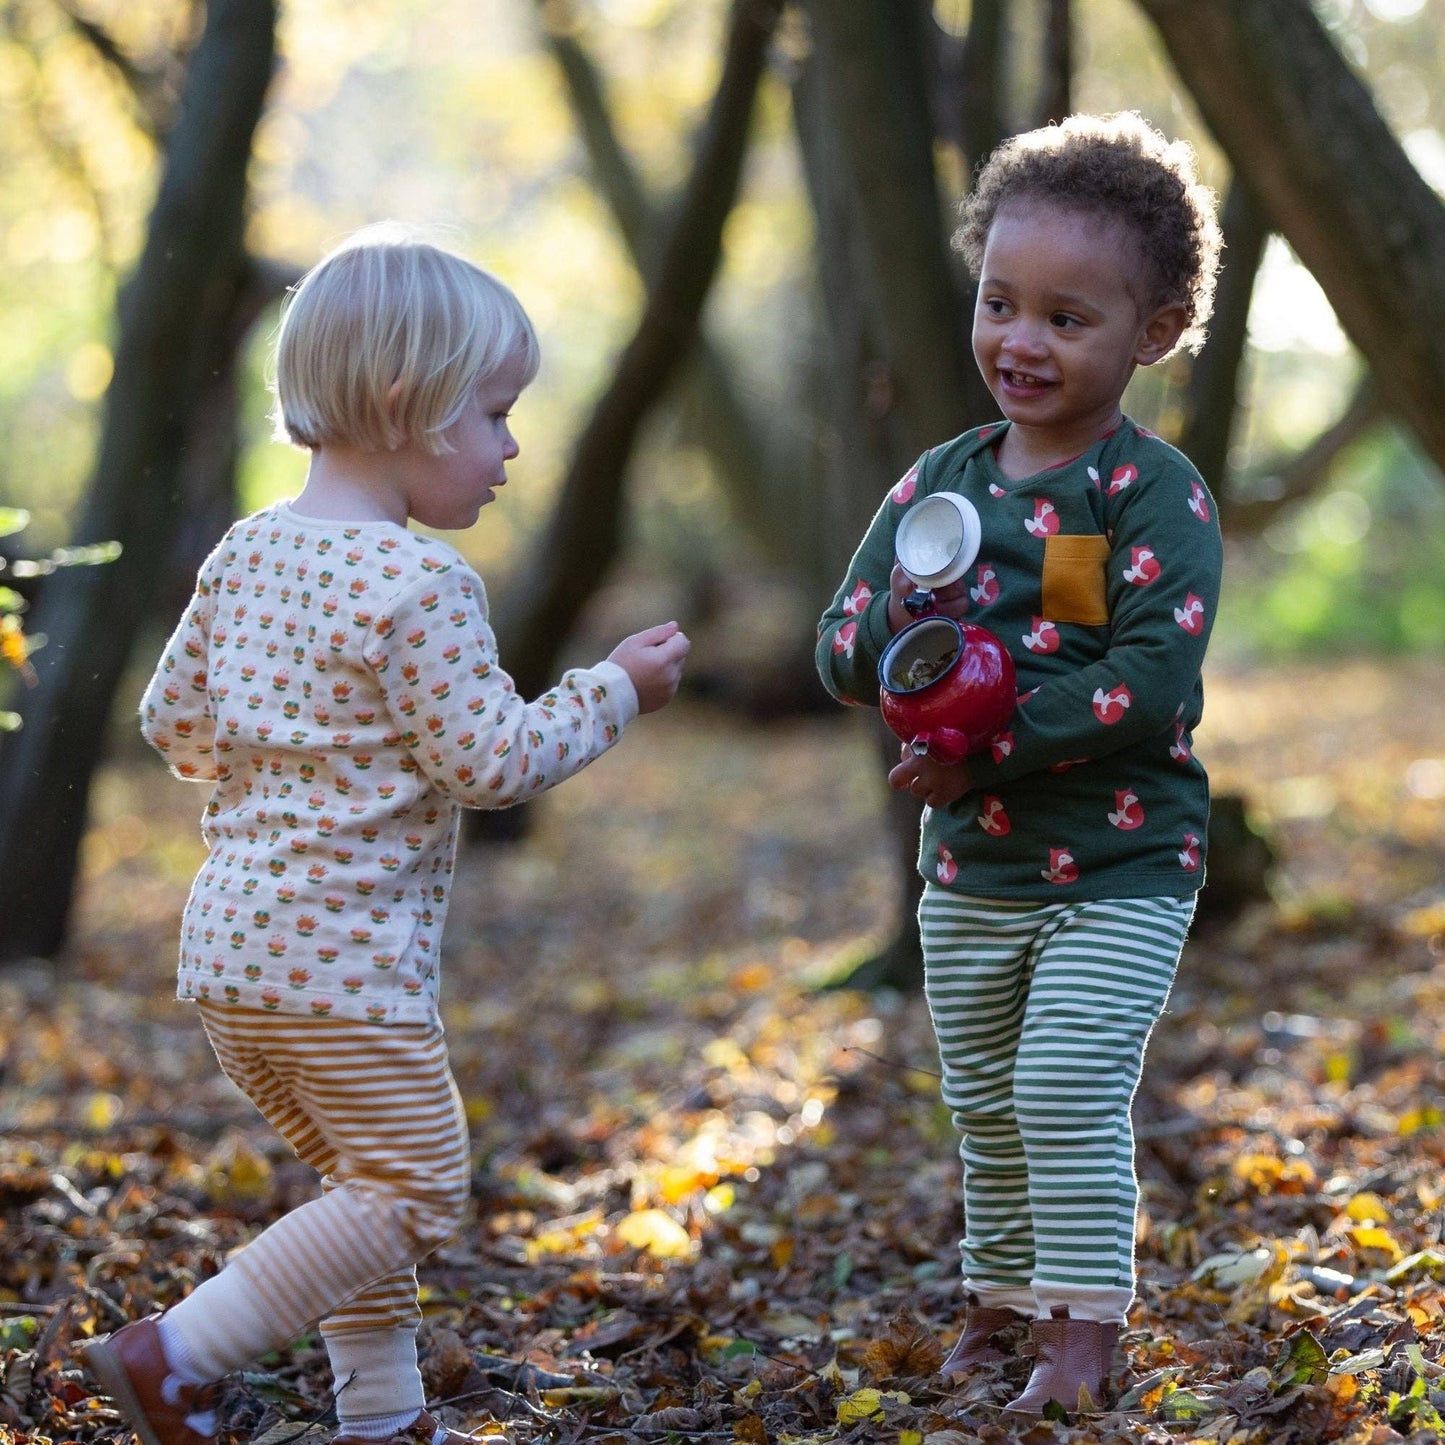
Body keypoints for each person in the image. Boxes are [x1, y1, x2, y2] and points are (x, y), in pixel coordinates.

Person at [83, 227, 690, 1445]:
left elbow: (173, 722)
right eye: (497, 413)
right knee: (411, 1189)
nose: (512, 445)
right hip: (343, 966)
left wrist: (285, 775)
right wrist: (613, 689)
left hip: (232, 956)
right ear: (413, 410)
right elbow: (492, 763)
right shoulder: (418, 586)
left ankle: (381, 1408)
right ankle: (176, 1351)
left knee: (362, 1189)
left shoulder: (248, 549)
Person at [815, 113, 1224, 1417]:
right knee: (986, 1102)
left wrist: (985, 744)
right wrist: (899, 647)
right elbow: (837, 642)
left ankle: (1085, 1323)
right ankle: (999, 1300)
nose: (1019, 341)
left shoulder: (1143, 494)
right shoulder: (933, 485)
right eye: (1000, 304)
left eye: (1066, 316)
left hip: (1122, 857)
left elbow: (1147, 675)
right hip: (973, 866)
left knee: (1063, 1081)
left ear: (1151, 332)